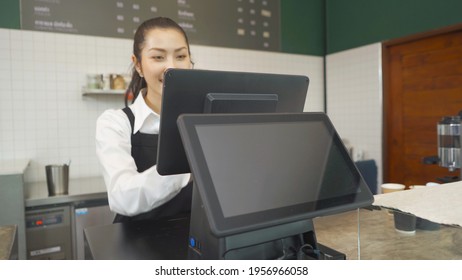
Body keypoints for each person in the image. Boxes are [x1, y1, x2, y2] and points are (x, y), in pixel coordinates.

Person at [95, 17, 194, 223]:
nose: (171, 67)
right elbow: (122, 197)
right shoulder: (115, 123)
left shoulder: (204, 119)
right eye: (158, 57)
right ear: (138, 65)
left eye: (181, 56)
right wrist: (190, 166)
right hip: (135, 247)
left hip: (194, 244)